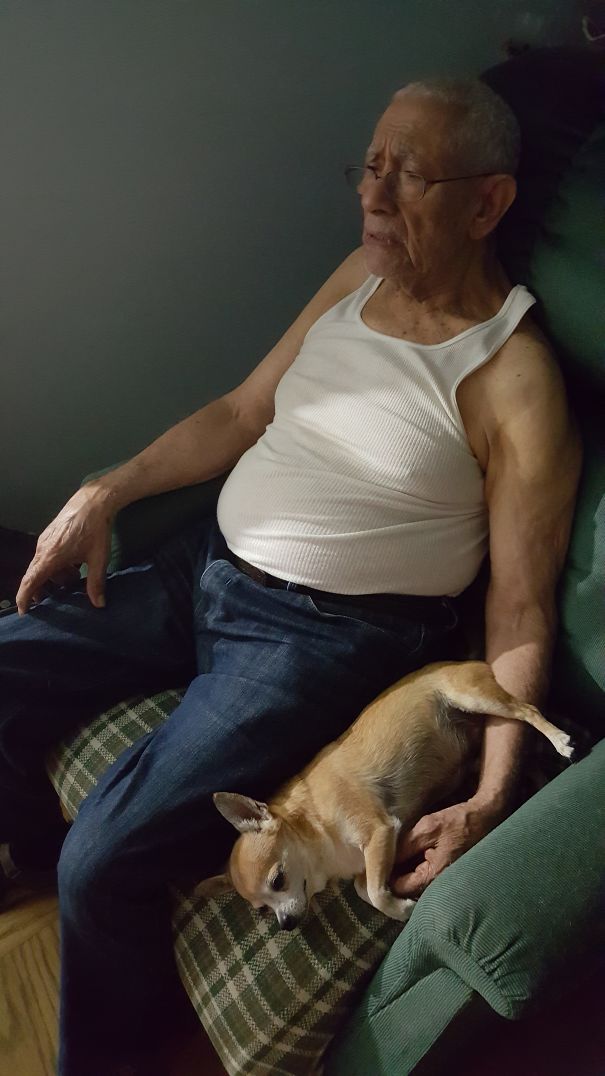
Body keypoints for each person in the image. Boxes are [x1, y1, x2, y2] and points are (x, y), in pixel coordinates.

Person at [1, 78, 581, 1075]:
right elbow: (238, 413)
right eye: (370, 164)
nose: (372, 195)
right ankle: (33, 863)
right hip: (204, 567)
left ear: (486, 202)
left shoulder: (511, 376)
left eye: (408, 175)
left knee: (110, 855)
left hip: (317, 641)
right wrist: (109, 488)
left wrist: (490, 791)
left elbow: (518, 608)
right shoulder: (358, 273)